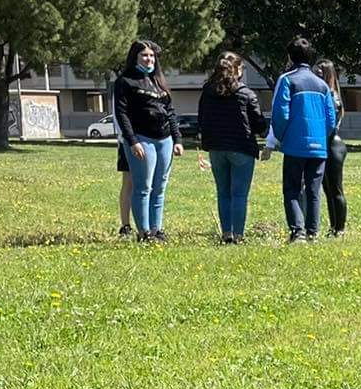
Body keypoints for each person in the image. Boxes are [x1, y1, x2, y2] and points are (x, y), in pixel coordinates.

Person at [267, 37, 339, 242]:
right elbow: (330, 118)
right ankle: (312, 233)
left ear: (290, 56)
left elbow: (280, 113)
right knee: (314, 191)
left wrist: (280, 138)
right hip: (319, 147)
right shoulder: (322, 85)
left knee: (292, 189)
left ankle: (297, 231)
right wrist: (321, 137)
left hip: (295, 145)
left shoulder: (288, 80)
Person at [112, 39, 181, 242]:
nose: (149, 59)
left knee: (160, 188)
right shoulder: (125, 81)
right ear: (135, 57)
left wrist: (177, 139)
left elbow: (170, 111)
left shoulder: (158, 81)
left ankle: (157, 229)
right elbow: (122, 113)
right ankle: (144, 233)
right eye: (144, 55)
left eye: (151, 55)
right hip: (142, 140)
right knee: (143, 187)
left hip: (164, 140)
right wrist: (132, 141)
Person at [197, 51, 268, 244]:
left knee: (223, 192)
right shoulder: (245, 93)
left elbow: (202, 119)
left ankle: (226, 233)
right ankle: (238, 234)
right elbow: (259, 124)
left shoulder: (208, 92)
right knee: (239, 194)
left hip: (216, 148)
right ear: (236, 69)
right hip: (241, 147)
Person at [315, 61, 349, 237]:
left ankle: (340, 228)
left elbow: (330, 122)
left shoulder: (331, 95)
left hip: (333, 144)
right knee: (327, 190)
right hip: (325, 144)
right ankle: (333, 226)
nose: (317, 75)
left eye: (320, 72)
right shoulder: (323, 93)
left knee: (336, 189)